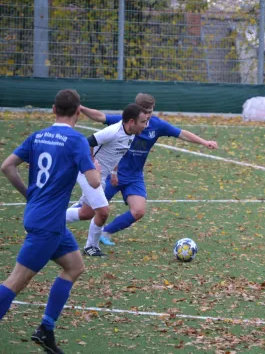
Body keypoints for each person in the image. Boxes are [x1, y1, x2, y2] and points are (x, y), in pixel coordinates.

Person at [0, 89, 103, 354]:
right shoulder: (76, 140)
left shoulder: (38, 136)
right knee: (15, 282)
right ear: (78, 113)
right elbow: (93, 182)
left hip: (50, 221)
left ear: (53, 111)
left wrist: (29, 194)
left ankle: (45, 329)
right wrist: (96, 168)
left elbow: (7, 166)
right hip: (46, 225)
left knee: (75, 266)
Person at [80, 93, 218, 246]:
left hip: (134, 177)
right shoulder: (126, 121)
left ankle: (106, 232)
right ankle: (57, 220)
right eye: (144, 112)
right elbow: (100, 117)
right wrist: (80, 108)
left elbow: (182, 133)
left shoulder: (157, 125)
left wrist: (204, 142)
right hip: (113, 174)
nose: (147, 116)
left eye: (150, 112)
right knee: (87, 210)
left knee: (138, 211)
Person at [66, 103, 150, 257]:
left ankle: (50, 220)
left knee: (86, 212)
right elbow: (87, 142)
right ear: (132, 122)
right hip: (89, 173)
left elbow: (116, 153)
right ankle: (91, 246)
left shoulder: (131, 134)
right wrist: (91, 164)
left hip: (102, 176)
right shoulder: (112, 132)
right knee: (103, 211)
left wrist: (114, 172)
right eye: (144, 122)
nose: (146, 125)